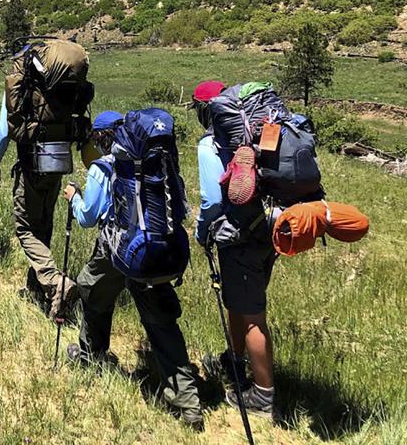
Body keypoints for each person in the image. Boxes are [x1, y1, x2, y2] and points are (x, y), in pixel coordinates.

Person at [63, 111, 203, 430]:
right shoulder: (153, 164)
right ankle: (188, 402)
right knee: (160, 323)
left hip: (116, 248)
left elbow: (86, 217)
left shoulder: (103, 168)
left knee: (91, 288)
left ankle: (91, 355)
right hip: (154, 246)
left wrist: (73, 199)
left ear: (102, 137)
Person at [192, 80, 276, 419]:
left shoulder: (210, 145)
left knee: (253, 314)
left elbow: (212, 200)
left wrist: (201, 233)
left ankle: (263, 396)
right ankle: (234, 358)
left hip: (237, 234)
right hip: (268, 226)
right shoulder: (257, 134)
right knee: (238, 301)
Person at [0, 94, 75, 319]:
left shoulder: (19, 89)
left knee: (25, 229)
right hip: (57, 164)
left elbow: (4, 132)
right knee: (44, 224)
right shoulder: (56, 88)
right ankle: (36, 288)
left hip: (31, 167)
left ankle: (55, 281)